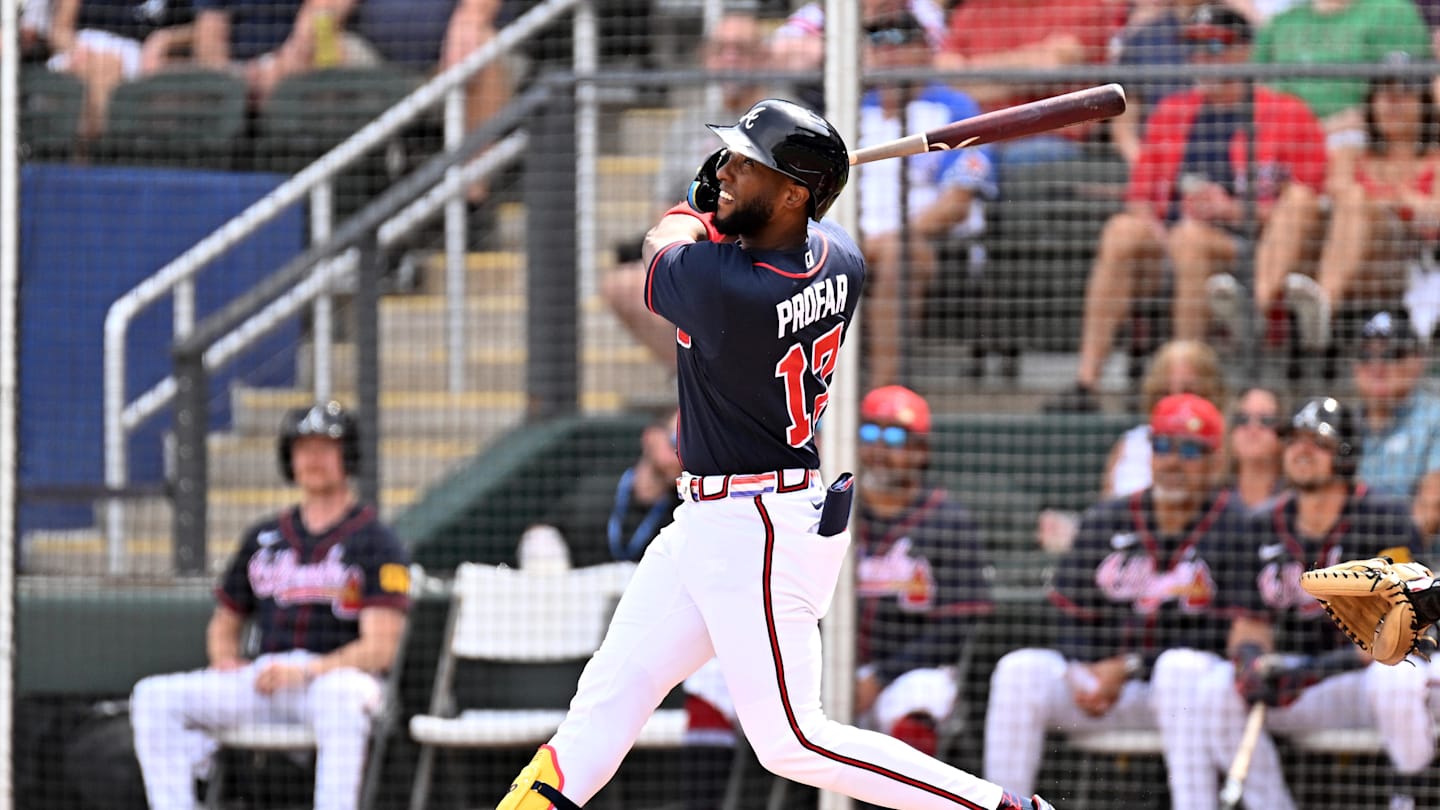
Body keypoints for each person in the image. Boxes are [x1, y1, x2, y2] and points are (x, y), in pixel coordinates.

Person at [494, 99, 1056, 810]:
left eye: (744, 165)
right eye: (727, 160)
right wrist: (749, 194)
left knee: (793, 738)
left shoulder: (729, 289)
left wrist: (697, 203)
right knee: (602, 707)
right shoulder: (841, 257)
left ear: (793, 193)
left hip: (756, 525)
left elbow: (660, 243)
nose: (724, 172)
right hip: (716, 520)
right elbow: (794, 230)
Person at [1044, 5, 1327, 412]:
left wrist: (1232, 210)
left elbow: (1306, 209)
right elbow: (1141, 199)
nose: (1203, 59)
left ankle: (1187, 387)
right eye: (1194, 48)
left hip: (1253, 253)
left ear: (1244, 51)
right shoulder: (1172, 112)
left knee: (1191, 239)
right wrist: (1157, 231)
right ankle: (1086, 383)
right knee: (1124, 231)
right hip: (1176, 244)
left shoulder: (1287, 113)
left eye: (1215, 46)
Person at [130, 401, 412, 810]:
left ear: (347, 456)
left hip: (335, 680)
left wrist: (307, 670)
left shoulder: (376, 541)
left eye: (325, 447)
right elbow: (225, 622)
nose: (312, 459)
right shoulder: (264, 536)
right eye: (303, 448)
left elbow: (381, 649)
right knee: (154, 696)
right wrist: (225, 659)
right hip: (270, 678)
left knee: (341, 700)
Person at [1165, 396, 1428, 810]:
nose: (1301, 450)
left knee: (1398, 679)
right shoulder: (1261, 525)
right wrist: (1252, 663)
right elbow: (1249, 627)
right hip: (1303, 683)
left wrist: (1313, 671)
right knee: (1218, 690)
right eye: (1293, 441)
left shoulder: (1384, 518)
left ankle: (1414, 797)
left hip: (1366, 680)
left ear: (1344, 455)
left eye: (1317, 442)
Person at [984, 393, 1247, 803]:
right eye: (1162, 446)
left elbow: (1227, 632)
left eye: (1190, 450)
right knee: (1018, 671)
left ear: (1215, 461)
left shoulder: (1237, 525)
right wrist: (1082, 671)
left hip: (1181, 696)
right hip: (1104, 690)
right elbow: (1067, 613)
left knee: (1180, 669)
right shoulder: (1107, 519)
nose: (1173, 462)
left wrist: (1127, 666)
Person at [601, 12, 776, 367]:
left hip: (764, 261)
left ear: (763, 57)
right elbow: (664, 210)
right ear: (706, 58)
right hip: (699, 256)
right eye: (721, 50)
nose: (730, 59)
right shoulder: (689, 126)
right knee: (622, 284)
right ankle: (696, 388)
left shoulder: (782, 121)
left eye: (741, 50)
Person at [855, 7, 996, 387]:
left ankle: (877, 401)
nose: (888, 48)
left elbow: (958, 200)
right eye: (877, 38)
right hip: (851, 241)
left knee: (900, 254)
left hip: (932, 247)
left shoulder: (955, 108)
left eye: (901, 38)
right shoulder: (849, 110)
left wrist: (890, 238)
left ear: (926, 49)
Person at [1288, 51, 1440, 347]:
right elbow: (1336, 191)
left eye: (1404, 93)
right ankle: (1262, 306)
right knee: (1300, 197)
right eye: (1383, 93)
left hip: (1402, 262)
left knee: (1356, 200)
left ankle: (1324, 305)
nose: (1392, 104)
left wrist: (1385, 202)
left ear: (1424, 104)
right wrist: (1403, 199)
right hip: (1342, 253)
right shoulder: (1350, 154)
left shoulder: (1436, 160)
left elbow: (1434, 212)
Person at [1250, 0, 1430, 195]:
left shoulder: (1391, 12)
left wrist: (1324, 131)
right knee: (1291, 192)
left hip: (1357, 136)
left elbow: (1411, 95)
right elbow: (1259, 96)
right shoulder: (1282, 22)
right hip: (1290, 145)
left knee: (1349, 159)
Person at [934, 0, 1126, 169]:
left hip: (1053, 139)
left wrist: (971, 74)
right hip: (982, 138)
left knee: (1022, 157)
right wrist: (1025, 73)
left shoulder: (1082, 4)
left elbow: (1052, 65)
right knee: (947, 160)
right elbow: (946, 77)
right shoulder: (975, 8)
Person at [531, 407, 682, 568]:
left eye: (690, 447)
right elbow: (543, 531)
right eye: (676, 442)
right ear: (650, 437)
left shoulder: (684, 515)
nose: (683, 456)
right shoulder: (592, 493)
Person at [1347, 309, 1440, 543]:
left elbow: (1431, 508)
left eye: (1391, 354)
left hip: (1422, 566)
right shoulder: (1344, 424)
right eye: (1366, 355)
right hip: (1353, 564)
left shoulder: (1434, 417)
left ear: (1418, 360)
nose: (1377, 366)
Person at [45, 0, 194, 141]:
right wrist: (75, 49)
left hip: (134, 50)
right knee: (96, 66)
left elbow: (204, 24)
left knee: (107, 65)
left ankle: (86, 148)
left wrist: (165, 38)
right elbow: (58, 30)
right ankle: (95, 145)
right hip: (81, 46)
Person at [1224, 385, 1287, 512]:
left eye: (1266, 420)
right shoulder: (1214, 499)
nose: (1253, 428)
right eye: (1242, 419)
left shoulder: (1292, 502)